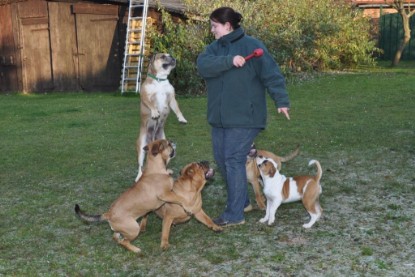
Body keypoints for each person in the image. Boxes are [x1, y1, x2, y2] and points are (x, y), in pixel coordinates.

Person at [196, 7, 290, 227]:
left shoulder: (253, 46)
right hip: (220, 118)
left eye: (214, 26)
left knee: (233, 160)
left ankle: (234, 214)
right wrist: (229, 60)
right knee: (222, 160)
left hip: (246, 117)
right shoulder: (213, 49)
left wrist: (282, 101)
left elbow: (272, 74)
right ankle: (243, 202)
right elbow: (203, 66)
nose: (212, 30)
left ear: (228, 26)